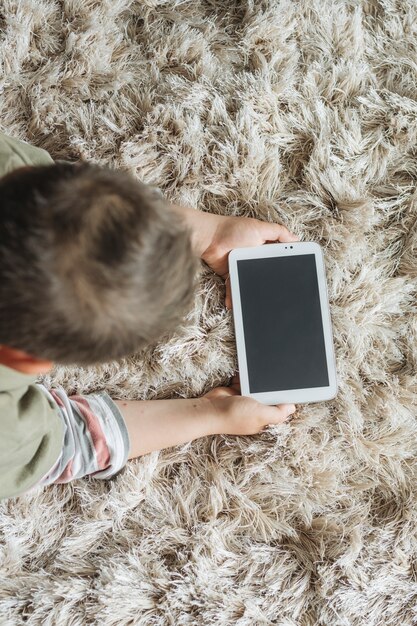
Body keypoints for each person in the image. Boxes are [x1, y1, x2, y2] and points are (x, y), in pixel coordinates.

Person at [0, 130, 298, 500]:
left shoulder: (10, 165)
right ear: (30, 360)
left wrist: (213, 234)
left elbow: (67, 203)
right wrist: (212, 414)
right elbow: (64, 444)